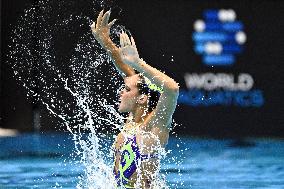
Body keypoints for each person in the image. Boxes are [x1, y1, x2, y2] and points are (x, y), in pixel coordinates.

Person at [91, 10, 179, 189]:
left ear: (142, 99)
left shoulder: (154, 127)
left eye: (126, 89)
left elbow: (171, 89)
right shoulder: (131, 121)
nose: (120, 92)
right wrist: (105, 41)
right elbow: (127, 71)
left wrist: (139, 64)